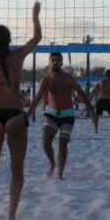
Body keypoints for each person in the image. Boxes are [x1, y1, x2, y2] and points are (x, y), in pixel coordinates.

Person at [0, 0, 42, 220]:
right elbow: (36, 38)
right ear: (9, 40)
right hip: (15, 114)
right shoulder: (17, 57)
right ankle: (11, 216)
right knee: (17, 170)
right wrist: (35, 15)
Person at [25, 52, 97, 180]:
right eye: (53, 60)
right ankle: (52, 163)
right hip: (52, 113)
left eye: (58, 60)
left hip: (67, 114)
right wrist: (27, 115)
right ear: (49, 63)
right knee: (46, 142)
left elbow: (83, 94)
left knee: (63, 144)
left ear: (62, 63)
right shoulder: (46, 80)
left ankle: (60, 173)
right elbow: (37, 98)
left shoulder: (68, 78)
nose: (55, 62)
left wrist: (92, 112)